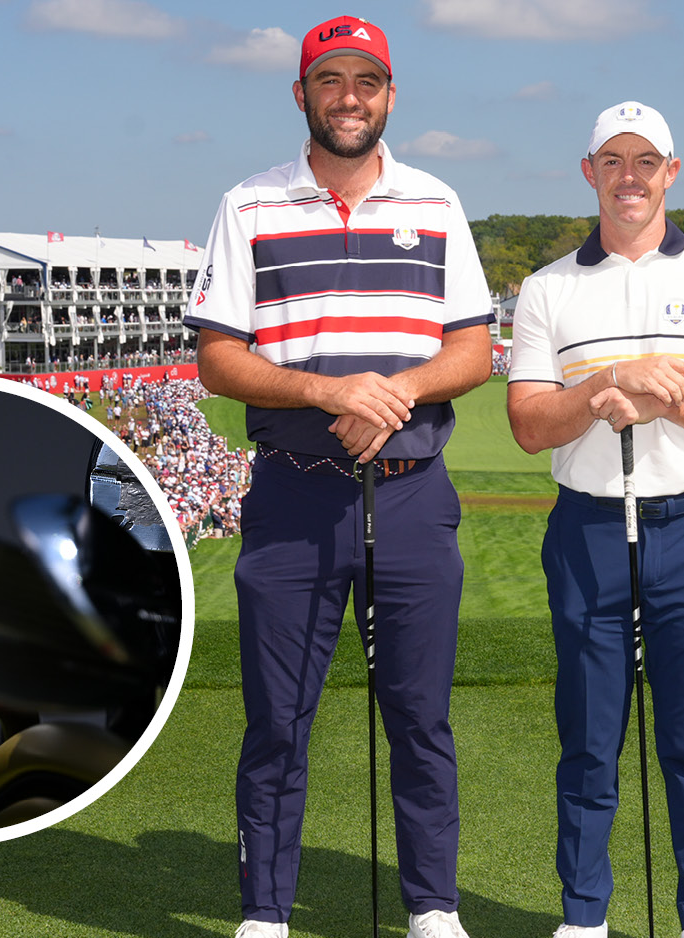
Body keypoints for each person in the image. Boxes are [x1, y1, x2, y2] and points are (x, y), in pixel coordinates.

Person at [183, 15, 493, 938]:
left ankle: (432, 906)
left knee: (419, 718)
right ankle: (265, 912)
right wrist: (330, 390)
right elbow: (218, 359)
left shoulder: (435, 202)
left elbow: (472, 349)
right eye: (330, 80)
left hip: (411, 491)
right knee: (278, 718)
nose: (348, 98)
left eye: (366, 81)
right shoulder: (248, 204)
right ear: (301, 94)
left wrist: (394, 394)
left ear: (389, 96)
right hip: (293, 492)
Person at [505, 102, 684, 938]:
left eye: (645, 161)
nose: (630, 176)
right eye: (613, 161)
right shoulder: (548, 288)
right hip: (586, 530)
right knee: (589, 739)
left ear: (671, 171)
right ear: (589, 172)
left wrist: (671, 400)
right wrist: (605, 384)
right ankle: (583, 916)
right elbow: (529, 425)